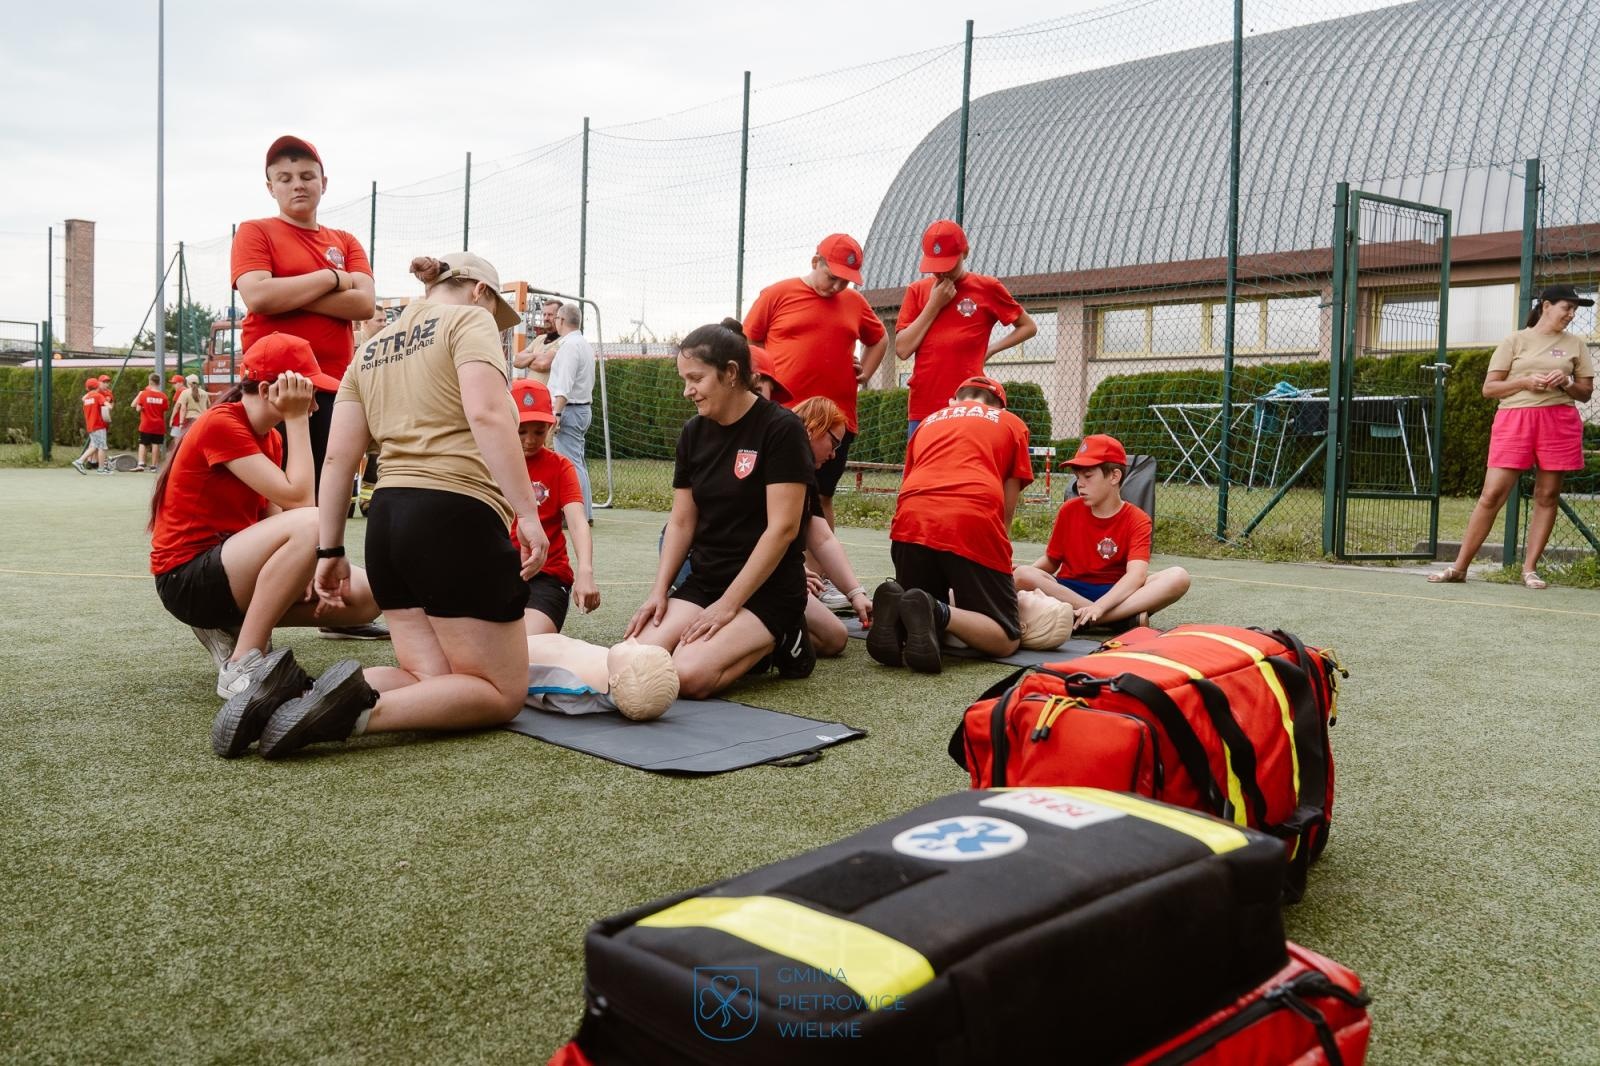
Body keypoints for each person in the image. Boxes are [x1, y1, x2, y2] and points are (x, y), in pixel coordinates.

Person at [227, 251, 551, 760]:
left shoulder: (370, 348)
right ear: (480, 292)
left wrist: (330, 549)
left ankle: (289, 697)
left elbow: (339, 459)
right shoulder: (470, 321)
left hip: (388, 520)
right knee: (500, 691)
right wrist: (527, 515)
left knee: (426, 676)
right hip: (455, 516)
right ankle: (350, 715)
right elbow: (487, 414)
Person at [147, 333, 381, 720]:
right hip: (187, 580)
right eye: (308, 388)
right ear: (275, 388)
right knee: (311, 524)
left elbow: (282, 511)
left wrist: (302, 565)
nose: (314, 400)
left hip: (232, 569)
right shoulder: (221, 424)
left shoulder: (268, 437)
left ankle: (230, 626)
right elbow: (304, 504)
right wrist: (296, 421)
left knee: (365, 598)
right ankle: (242, 662)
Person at [625, 321, 815, 699]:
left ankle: (785, 635)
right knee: (636, 659)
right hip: (708, 580)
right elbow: (681, 522)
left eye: (695, 378)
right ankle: (745, 639)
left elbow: (783, 529)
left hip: (769, 588)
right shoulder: (693, 433)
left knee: (688, 675)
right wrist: (659, 591)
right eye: (684, 379)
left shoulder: (781, 429)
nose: (687, 391)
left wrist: (728, 606)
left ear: (730, 373)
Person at [231, 135, 375, 489]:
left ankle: (325, 547)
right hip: (271, 385)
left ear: (323, 183)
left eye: (307, 176)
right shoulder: (255, 231)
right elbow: (258, 297)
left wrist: (285, 288)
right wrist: (331, 277)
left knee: (327, 487)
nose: (298, 185)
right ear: (271, 187)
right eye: (285, 178)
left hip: (333, 385)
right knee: (275, 490)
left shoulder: (345, 240)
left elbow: (364, 304)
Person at [1429, 284, 1596, 588]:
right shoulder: (1514, 340)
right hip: (1515, 420)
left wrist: (1568, 382)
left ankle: (1529, 569)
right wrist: (1524, 381)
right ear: (1545, 305)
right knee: (1492, 494)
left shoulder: (1576, 345)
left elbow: (1585, 393)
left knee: (1547, 496)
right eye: (1566, 307)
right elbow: (1489, 389)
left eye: (1575, 309)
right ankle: (1460, 567)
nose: (1571, 314)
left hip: (1559, 420)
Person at [868, 376, 1032, 674]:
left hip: (911, 523)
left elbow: (909, 484)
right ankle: (936, 609)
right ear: (998, 406)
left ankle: (901, 613)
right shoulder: (1011, 423)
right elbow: (1006, 509)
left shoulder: (928, 422)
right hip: (971, 519)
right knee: (1006, 637)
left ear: (954, 401)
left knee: (914, 600)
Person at [743, 233, 889, 530]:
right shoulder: (777, 294)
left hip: (836, 419)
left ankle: (822, 576)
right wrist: (762, 381)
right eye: (832, 276)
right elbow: (749, 339)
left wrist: (866, 373)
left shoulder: (854, 303)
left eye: (845, 281)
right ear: (815, 262)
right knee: (771, 492)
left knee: (821, 497)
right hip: (784, 413)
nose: (837, 286)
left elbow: (879, 338)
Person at [1014, 434, 1190, 630]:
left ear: (1114, 476)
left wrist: (1101, 606)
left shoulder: (1138, 519)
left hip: (1116, 593)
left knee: (1178, 576)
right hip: (1068, 590)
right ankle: (1117, 620)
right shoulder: (1068, 510)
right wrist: (1021, 576)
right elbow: (1051, 560)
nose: (1080, 484)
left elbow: (1136, 576)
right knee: (1022, 574)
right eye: (1077, 477)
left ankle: (1087, 618)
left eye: (1088, 477)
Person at [895, 220, 1038, 438]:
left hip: (970, 401)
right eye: (935, 266)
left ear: (966, 253)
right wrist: (934, 305)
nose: (941, 273)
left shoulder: (987, 287)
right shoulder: (917, 291)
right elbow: (903, 349)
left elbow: (1028, 327)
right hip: (924, 403)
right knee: (921, 470)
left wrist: (990, 350)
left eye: (948, 264)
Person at [512, 378, 599, 634]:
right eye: (521, 431)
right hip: (496, 573)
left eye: (539, 431)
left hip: (547, 576)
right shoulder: (487, 464)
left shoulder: (560, 466)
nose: (530, 440)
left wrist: (585, 570)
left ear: (550, 426)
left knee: (529, 646)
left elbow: (576, 520)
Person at [790, 396, 873, 656]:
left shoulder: (803, 473)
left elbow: (823, 538)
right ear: (812, 428)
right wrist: (784, 571)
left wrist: (855, 592)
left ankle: (776, 640)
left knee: (834, 637)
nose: (834, 454)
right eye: (833, 443)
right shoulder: (769, 459)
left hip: (764, 574)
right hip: (727, 568)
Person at [523, 634, 678, 722]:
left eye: (631, 648)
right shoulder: (616, 667)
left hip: (520, 647)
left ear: (615, 679)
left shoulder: (574, 689)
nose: (632, 640)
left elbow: (525, 683)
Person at [547, 303, 596, 522]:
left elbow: (564, 384)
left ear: (562, 320)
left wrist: (556, 414)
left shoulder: (569, 346)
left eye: (556, 318)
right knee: (578, 462)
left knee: (570, 464)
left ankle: (577, 515)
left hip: (569, 410)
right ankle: (585, 513)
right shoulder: (583, 344)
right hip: (581, 408)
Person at [513, 297, 563, 383]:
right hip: (530, 394)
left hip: (547, 394)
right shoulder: (540, 338)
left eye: (550, 315)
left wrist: (527, 361)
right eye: (544, 314)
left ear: (560, 317)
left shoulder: (563, 341)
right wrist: (537, 356)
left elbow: (543, 365)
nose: (546, 318)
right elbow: (516, 361)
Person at [130, 373, 170, 471]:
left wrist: (144, 407)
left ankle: (141, 464)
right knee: (156, 444)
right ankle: (154, 466)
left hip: (146, 424)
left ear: (150, 381)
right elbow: (164, 409)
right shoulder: (163, 396)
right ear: (159, 382)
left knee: (143, 443)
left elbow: (137, 409)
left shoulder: (144, 394)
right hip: (158, 425)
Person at [71, 379, 112, 476]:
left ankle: (79, 462)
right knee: (102, 447)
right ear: (97, 386)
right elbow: (109, 406)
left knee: (95, 446)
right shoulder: (98, 396)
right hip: (98, 425)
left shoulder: (86, 398)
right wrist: (107, 403)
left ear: (87, 388)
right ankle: (101, 469)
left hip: (91, 425)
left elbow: (85, 397)